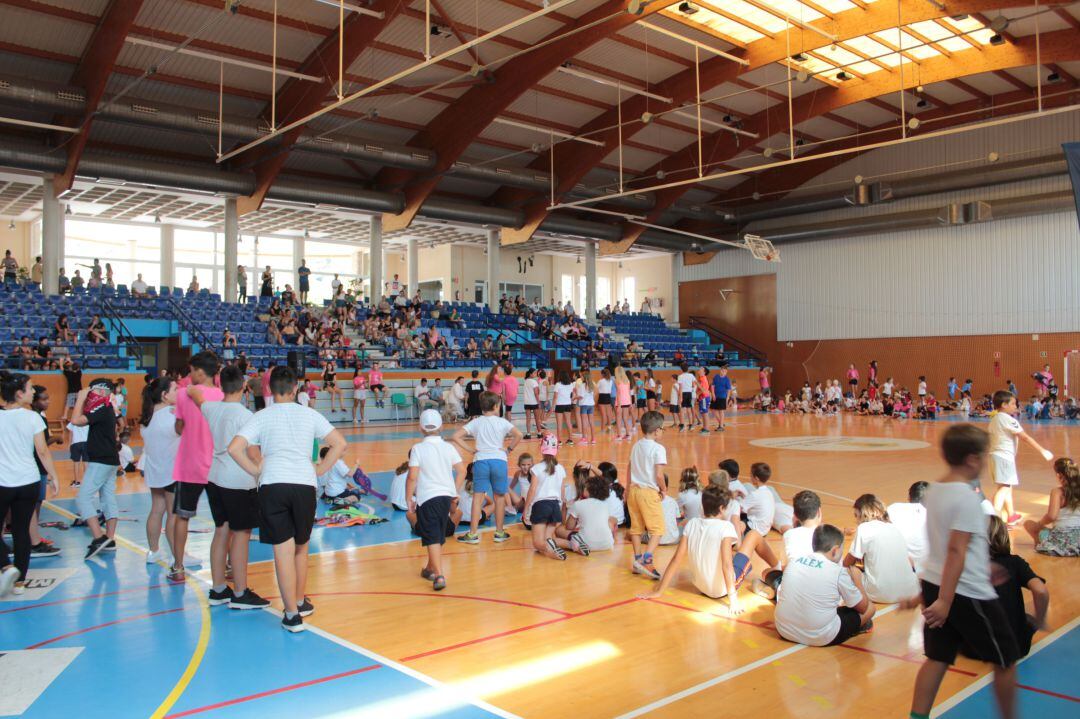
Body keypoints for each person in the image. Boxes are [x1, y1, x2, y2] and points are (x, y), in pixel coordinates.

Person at [910, 424, 1022, 719]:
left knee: (937, 658)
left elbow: (949, 543)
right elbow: (956, 550)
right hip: (964, 592)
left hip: (935, 584)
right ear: (972, 459)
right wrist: (947, 601)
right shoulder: (967, 498)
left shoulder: (935, 490)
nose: (985, 463)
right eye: (984, 457)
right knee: (1006, 659)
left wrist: (981, 564)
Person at [228, 366, 347, 633]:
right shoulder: (310, 414)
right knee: (301, 547)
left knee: (282, 551)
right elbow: (340, 443)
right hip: (304, 485)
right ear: (296, 389)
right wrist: (320, 469)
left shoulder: (262, 415)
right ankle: (299, 600)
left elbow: (235, 448)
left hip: (273, 485)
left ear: (269, 390)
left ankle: (292, 615)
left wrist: (256, 470)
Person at [197, 365, 268, 610]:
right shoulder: (246, 416)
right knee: (241, 535)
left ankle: (218, 588)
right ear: (243, 387)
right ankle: (240, 592)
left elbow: (197, 396)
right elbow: (253, 453)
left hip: (214, 477)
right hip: (238, 481)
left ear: (221, 386)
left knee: (221, 531)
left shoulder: (210, 407)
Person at [0, 372, 60, 596]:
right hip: (29, 482)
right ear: (19, 393)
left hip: (3, 482)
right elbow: (42, 451)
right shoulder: (33, 417)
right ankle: (19, 583)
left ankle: (6, 566)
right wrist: (53, 476)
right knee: (21, 531)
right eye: (30, 388)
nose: (33, 391)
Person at [641, 485, 743, 614]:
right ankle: (775, 569)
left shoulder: (692, 523)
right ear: (722, 509)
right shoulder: (726, 526)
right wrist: (733, 600)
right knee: (753, 538)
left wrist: (659, 591)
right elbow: (727, 565)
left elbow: (676, 559)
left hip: (700, 586)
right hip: (720, 591)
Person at [169, 351, 224, 583]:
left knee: (182, 518)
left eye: (191, 371)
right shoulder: (223, 396)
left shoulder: (183, 395)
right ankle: (226, 565)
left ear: (200, 371)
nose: (189, 375)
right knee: (223, 522)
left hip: (189, 465)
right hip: (217, 467)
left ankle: (178, 567)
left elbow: (178, 428)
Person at [774, 524, 874, 647]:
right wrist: (857, 579)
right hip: (821, 636)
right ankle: (855, 628)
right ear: (835, 550)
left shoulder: (794, 562)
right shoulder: (837, 571)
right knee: (870, 609)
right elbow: (863, 608)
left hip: (784, 629)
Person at [451, 391, 522, 545]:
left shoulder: (476, 421)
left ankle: (473, 534)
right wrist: (509, 450)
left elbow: (456, 436)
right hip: (499, 461)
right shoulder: (502, 422)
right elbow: (519, 435)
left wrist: (470, 450)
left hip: (481, 461)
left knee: (478, 498)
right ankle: (499, 532)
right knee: (500, 498)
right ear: (496, 406)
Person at [407, 409, 466, 591]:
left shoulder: (418, 448)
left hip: (428, 497)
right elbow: (462, 471)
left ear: (420, 428)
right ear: (441, 427)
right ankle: (429, 568)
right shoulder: (449, 447)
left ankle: (439, 575)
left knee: (433, 535)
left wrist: (409, 497)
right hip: (445, 498)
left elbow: (412, 477)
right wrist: (453, 490)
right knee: (437, 534)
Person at [988, 390, 1053, 527]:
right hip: (1004, 457)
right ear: (1004, 405)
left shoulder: (995, 419)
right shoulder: (1008, 419)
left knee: (1006, 486)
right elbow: (1024, 437)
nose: (1015, 406)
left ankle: (1011, 515)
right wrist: (1042, 450)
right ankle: (993, 520)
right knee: (1004, 489)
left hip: (995, 456)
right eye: (1012, 404)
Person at [71, 378, 120, 559]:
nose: (89, 394)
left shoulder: (102, 407)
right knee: (108, 498)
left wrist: (80, 398)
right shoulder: (106, 408)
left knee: (83, 498)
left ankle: (99, 537)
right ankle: (110, 539)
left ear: (100, 391)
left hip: (101, 461)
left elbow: (76, 420)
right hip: (110, 460)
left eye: (91, 391)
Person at [843, 494, 920, 604]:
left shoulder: (864, 528)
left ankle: (860, 601)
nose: (856, 520)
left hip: (881, 594)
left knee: (851, 570)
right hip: (911, 591)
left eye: (856, 515)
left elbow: (848, 562)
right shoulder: (893, 527)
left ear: (861, 513)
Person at [522, 435, 586, 560]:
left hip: (540, 505)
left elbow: (532, 490)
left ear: (541, 448)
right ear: (556, 449)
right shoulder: (560, 468)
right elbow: (562, 493)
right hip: (555, 506)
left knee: (537, 543)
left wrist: (526, 509)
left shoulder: (536, 468)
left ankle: (554, 554)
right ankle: (573, 544)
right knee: (549, 538)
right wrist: (561, 510)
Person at [139, 377, 180, 565]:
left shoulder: (146, 418)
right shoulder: (172, 416)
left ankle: (153, 551)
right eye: (174, 389)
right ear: (164, 395)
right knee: (174, 515)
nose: (178, 392)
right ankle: (177, 556)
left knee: (156, 510)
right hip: (171, 470)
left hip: (154, 469)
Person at [752, 490, 822, 600]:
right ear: (819, 512)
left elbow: (786, 571)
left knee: (767, 572)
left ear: (794, 515)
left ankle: (773, 591)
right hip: (822, 594)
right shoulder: (829, 534)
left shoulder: (789, 535)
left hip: (794, 595)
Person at [627, 411, 668, 579]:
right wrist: (664, 489)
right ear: (657, 430)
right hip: (648, 492)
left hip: (633, 490)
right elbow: (659, 475)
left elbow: (629, 467)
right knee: (657, 529)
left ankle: (637, 560)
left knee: (636, 529)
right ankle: (647, 559)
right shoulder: (658, 449)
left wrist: (626, 488)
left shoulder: (636, 445)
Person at [1023, 456, 1080, 556]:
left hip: (1061, 539)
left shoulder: (1057, 492)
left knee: (1028, 524)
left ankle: (1043, 544)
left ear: (1059, 475)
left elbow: (1051, 516)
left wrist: (1040, 524)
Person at [887, 481, 930, 571]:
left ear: (909, 497)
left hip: (900, 569)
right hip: (929, 573)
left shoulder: (894, 508)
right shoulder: (937, 515)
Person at [711, 366, 732, 432]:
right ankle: (721, 422)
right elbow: (712, 386)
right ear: (720, 370)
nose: (723, 372)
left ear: (726, 372)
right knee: (712, 410)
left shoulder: (727, 379)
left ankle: (721, 426)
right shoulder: (716, 377)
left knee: (721, 411)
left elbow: (729, 389)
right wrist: (713, 394)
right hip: (715, 396)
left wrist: (727, 398)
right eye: (722, 370)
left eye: (725, 371)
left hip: (722, 396)